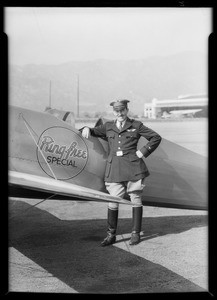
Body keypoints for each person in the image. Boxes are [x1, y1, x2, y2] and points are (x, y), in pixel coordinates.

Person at [81, 99, 162, 246]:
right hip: (115, 168)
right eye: (117, 111)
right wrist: (86, 128)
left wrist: (142, 152)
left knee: (135, 199)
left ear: (127, 110)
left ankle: (135, 233)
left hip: (133, 167)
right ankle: (111, 235)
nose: (120, 113)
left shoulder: (136, 125)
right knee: (113, 201)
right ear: (114, 112)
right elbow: (93, 131)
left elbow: (155, 137)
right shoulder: (108, 126)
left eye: (122, 110)